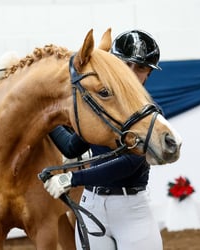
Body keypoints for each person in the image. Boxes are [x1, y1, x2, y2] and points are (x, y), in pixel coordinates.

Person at [44, 30, 163, 250]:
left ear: (149, 73)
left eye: (141, 68)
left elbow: (130, 163)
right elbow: (71, 148)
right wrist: (46, 119)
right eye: (125, 65)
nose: (131, 73)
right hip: (92, 206)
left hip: (132, 210)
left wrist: (73, 179)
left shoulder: (150, 115)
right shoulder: (99, 110)